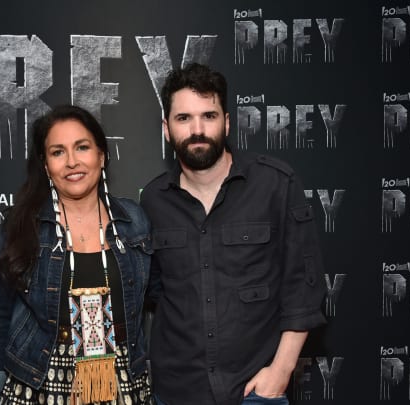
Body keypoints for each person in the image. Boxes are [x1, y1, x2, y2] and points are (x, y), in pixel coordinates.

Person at [140, 63, 327, 405]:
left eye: (208, 116)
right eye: (184, 118)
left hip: (256, 391)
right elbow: (154, 291)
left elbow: (304, 288)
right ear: (167, 129)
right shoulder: (153, 200)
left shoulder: (276, 184)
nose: (197, 129)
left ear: (226, 122)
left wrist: (280, 372)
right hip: (177, 391)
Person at [0, 105, 153, 405]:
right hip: (39, 383)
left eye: (82, 148)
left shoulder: (135, 221)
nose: (72, 162)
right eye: (58, 152)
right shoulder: (23, 227)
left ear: (101, 155)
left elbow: (164, 297)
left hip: (123, 384)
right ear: (45, 165)